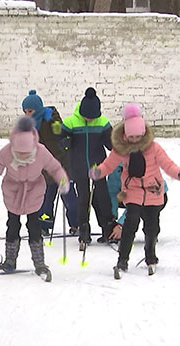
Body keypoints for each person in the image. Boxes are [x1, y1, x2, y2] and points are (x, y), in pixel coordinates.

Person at [89, 104, 180, 276]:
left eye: (138, 136)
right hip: (133, 191)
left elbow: (168, 165)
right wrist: (98, 172)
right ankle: (122, 261)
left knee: (152, 228)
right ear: (126, 134)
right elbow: (109, 165)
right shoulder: (122, 149)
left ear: (143, 134)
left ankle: (151, 258)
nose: (134, 139)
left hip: (153, 192)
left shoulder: (154, 148)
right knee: (130, 225)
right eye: (131, 136)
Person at [0, 116, 69, 282]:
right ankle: (10, 261)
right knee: (12, 225)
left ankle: (39, 263)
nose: (23, 156)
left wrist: (62, 180)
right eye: (19, 153)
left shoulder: (41, 151)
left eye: (26, 154)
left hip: (34, 191)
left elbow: (55, 168)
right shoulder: (6, 151)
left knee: (34, 226)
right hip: (13, 192)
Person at [60, 87, 116, 249]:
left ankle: (108, 229)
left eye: (93, 117)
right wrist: (65, 142)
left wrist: (117, 147)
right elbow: (60, 139)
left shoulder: (103, 122)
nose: (91, 120)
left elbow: (110, 143)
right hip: (79, 168)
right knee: (83, 199)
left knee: (102, 199)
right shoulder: (71, 122)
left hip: (99, 168)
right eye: (87, 117)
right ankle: (84, 231)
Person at [21, 90, 78, 236]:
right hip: (44, 169)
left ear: (38, 109)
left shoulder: (52, 118)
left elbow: (60, 133)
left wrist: (52, 121)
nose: (28, 114)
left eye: (30, 111)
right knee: (45, 200)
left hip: (61, 166)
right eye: (25, 111)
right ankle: (44, 226)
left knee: (70, 199)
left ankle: (76, 224)